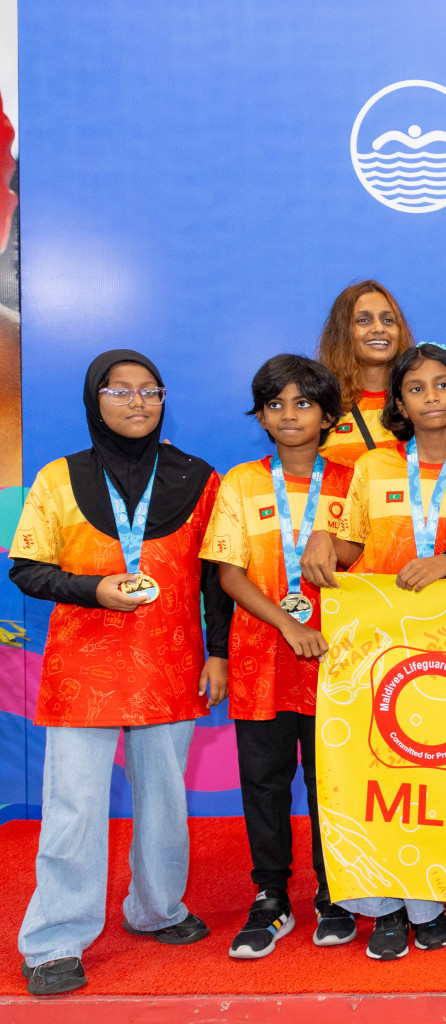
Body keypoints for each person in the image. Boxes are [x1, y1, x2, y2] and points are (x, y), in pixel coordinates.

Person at [9, 350, 231, 996]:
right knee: (74, 807)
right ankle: (54, 940)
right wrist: (93, 589)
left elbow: (217, 579)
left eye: (149, 391)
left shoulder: (199, 479)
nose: (137, 403)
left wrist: (217, 652)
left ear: (164, 400)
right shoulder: (59, 479)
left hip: (171, 664)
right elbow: (26, 566)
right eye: (120, 391)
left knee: (164, 798)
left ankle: (156, 908)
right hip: (85, 669)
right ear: (94, 400)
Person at [313, 343, 446, 960]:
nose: (430, 398)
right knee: (380, 773)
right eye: (415, 389)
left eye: (442, 385)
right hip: (380, 641)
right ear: (398, 403)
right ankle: (385, 905)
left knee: (437, 775)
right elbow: (347, 549)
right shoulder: (373, 467)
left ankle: (430, 900)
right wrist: (320, 535)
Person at [200, 355, 357, 958]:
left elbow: (367, 556)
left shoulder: (352, 481)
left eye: (303, 403)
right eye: (275, 404)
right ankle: (269, 897)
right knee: (263, 783)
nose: (289, 415)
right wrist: (289, 624)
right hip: (262, 657)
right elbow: (229, 574)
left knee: (330, 785)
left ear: (326, 415)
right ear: (261, 416)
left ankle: (334, 894)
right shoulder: (240, 482)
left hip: (338, 659)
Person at [314, 280, 416, 468]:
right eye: (363, 320)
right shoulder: (320, 407)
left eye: (388, 320)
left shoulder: (425, 400)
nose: (379, 328)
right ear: (342, 332)